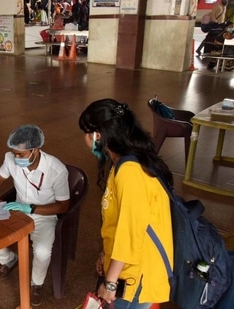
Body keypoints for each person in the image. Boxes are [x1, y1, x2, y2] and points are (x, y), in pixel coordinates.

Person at [78, 99, 174, 308]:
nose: (84, 139)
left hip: (137, 272)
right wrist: (106, 255)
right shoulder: (121, 162)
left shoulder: (130, 172)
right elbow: (119, 219)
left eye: (86, 133)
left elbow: (131, 231)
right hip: (128, 264)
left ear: (97, 135)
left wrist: (110, 282)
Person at [0, 124, 70, 307]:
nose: (16, 157)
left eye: (21, 154)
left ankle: (36, 284)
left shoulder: (56, 169)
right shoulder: (10, 158)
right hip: (16, 210)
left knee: (42, 251)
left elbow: (63, 205)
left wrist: (31, 208)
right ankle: (9, 259)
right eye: (14, 153)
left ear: (35, 150)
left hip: (44, 214)